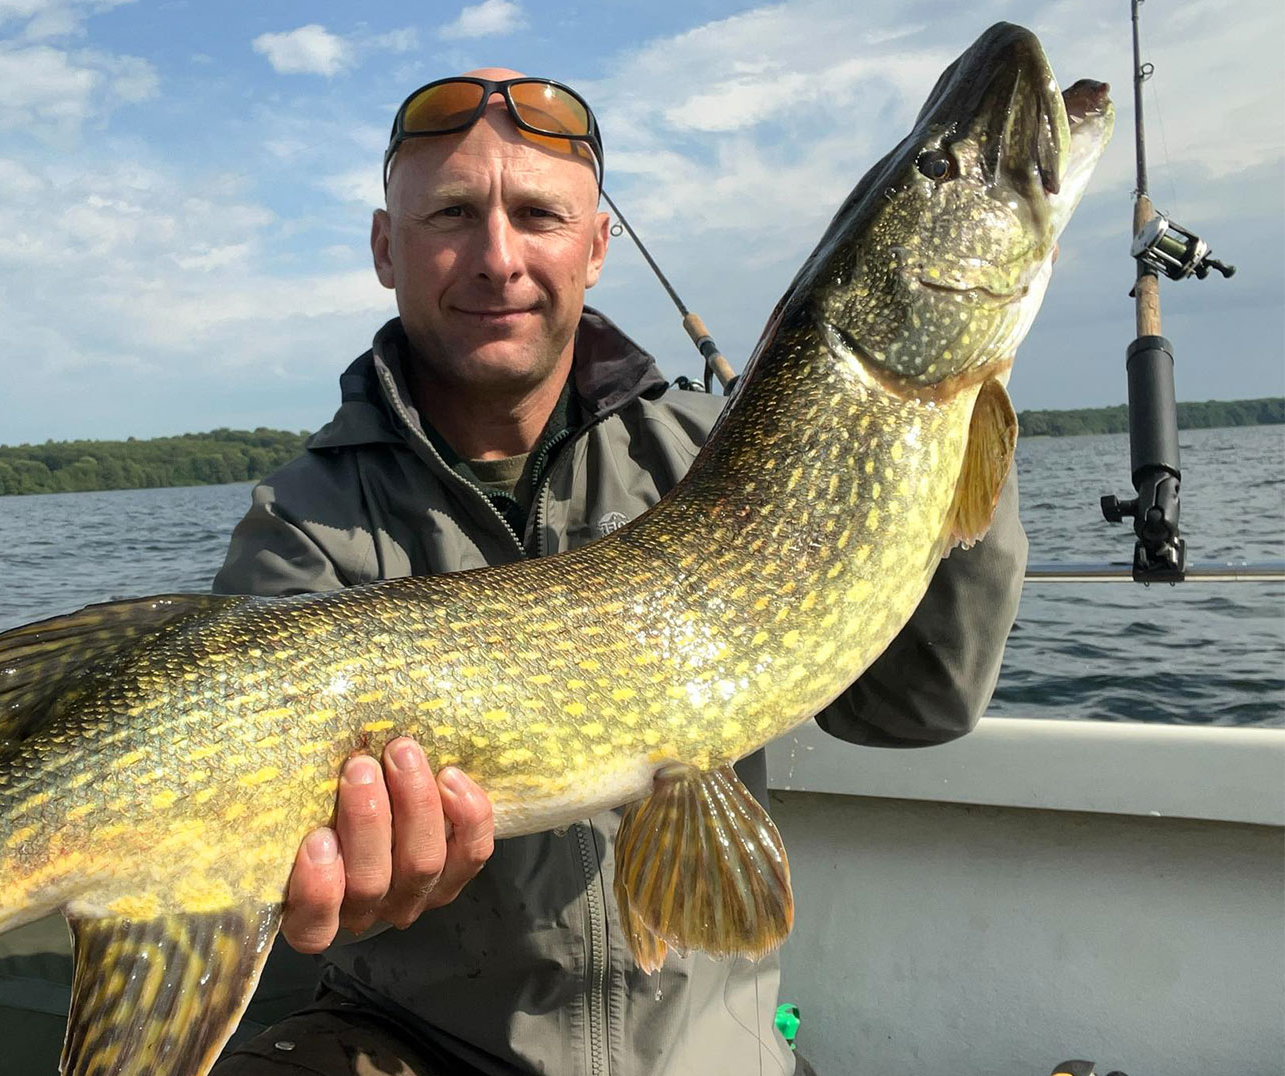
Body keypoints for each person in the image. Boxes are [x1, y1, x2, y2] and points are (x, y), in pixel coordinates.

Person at [211, 69, 1027, 1076]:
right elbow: (268, 849)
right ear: (388, 249)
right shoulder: (303, 520)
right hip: (418, 1047)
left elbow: (921, 705)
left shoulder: (712, 454)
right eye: (454, 214)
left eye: (538, 214)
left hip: (711, 1051)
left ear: (595, 246)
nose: (498, 257)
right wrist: (327, 882)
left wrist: (943, 429)